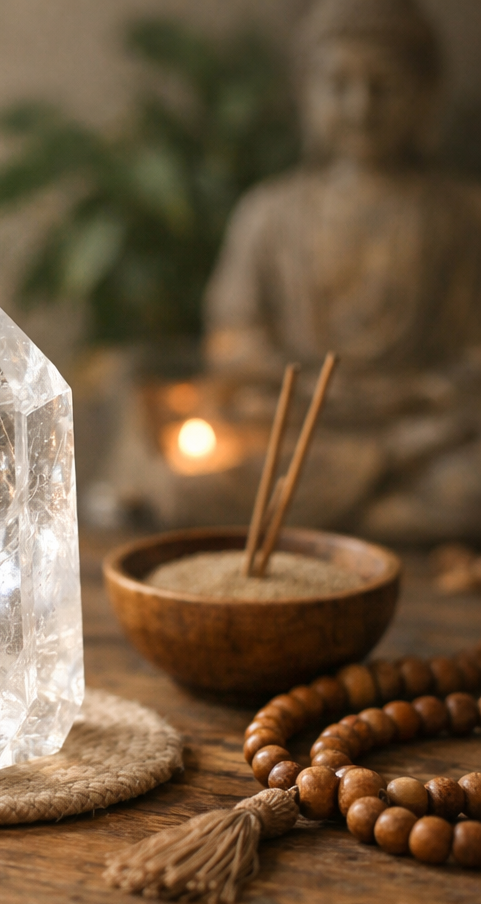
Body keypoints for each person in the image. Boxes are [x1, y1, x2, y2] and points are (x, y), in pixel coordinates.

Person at [204, 0, 481, 542]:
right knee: (197, 471)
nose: (362, 106)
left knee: (469, 485)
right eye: (339, 84)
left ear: (425, 97)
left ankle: (313, 520)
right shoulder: (269, 212)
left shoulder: (462, 213)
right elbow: (231, 340)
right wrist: (303, 386)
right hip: (299, 427)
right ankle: (378, 518)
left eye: (385, 86)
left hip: (419, 429)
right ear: (306, 94)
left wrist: (428, 391)